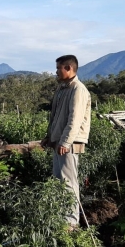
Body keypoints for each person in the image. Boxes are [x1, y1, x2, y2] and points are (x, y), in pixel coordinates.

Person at [41, 55, 91, 229]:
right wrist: (49, 136)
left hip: (69, 143)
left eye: (58, 68)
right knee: (59, 180)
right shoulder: (63, 89)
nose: (56, 72)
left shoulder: (78, 90)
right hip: (60, 142)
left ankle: (70, 223)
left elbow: (74, 120)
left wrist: (65, 142)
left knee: (68, 181)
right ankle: (61, 218)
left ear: (69, 68)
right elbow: (55, 117)